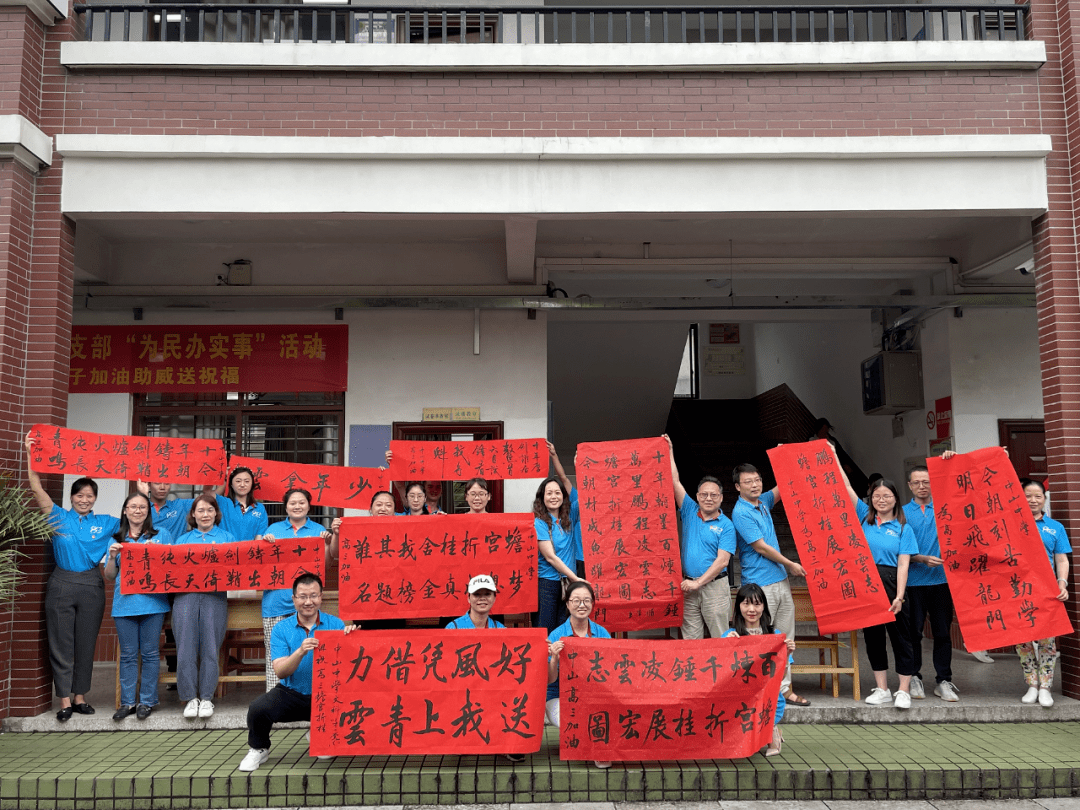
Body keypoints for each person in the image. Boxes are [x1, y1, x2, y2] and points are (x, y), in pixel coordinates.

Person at [24, 432, 120, 722]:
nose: (84, 500)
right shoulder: (58, 517)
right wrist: (31, 455)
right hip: (61, 584)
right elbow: (36, 487)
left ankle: (80, 696)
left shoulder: (105, 523)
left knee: (86, 642)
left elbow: (136, 518)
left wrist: (143, 488)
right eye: (79, 495)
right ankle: (64, 699)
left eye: (89, 496)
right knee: (61, 642)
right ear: (72, 497)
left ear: (95, 499)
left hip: (92, 585)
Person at [237, 573, 347, 772]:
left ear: (321, 597)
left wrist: (353, 637)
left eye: (313, 596)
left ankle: (318, 731)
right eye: (302, 596)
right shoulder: (281, 629)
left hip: (326, 695)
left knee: (352, 708)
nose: (308, 602)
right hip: (292, 694)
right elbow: (280, 671)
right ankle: (259, 748)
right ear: (294, 599)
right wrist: (300, 651)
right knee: (258, 708)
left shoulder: (336, 625)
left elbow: (347, 664)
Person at [731, 463, 809, 707]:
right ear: (737, 487)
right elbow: (761, 547)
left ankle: (784, 689)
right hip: (760, 585)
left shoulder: (763, 501)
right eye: (748, 482)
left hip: (780, 581)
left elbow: (784, 487)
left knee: (785, 638)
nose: (754, 484)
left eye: (757, 479)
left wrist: (786, 458)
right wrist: (790, 564)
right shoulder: (741, 513)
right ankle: (761, 690)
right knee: (761, 639)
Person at [840, 471, 918, 709]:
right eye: (876, 496)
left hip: (894, 584)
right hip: (868, 585)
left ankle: (903, 690)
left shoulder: (904, 528)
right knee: (873, 639)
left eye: (886, 496)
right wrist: (832, 455)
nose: (881, 500)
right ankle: (882, 688)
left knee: (902, 639)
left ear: (895, 498)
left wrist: (899, 597)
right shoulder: (865, 518)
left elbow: (904, 564)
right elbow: (848, 488)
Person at [103, 492, 173, 721]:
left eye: (142, 507)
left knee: (152, 654)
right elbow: (110, 575)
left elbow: (172, 569)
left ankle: (147, 701)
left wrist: (158, 554)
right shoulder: (116, 538)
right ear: (125, 510)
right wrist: (112, 557)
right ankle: (127, 702)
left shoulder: (162, 535)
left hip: (153, 604)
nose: (138, 510)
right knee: (128, 656)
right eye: (133, 506)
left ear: (148, 511)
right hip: (125, 605)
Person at [255, 488, 333, 692]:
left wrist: (326, 544)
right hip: (276, 604)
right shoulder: (273, 530)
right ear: (286, 506)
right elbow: (260, 564)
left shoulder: (318, 531)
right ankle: (275, 700)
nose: (297, 506)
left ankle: (304, 700)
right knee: (277, 658)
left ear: (309, 505)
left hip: (307, 606)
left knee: (308, 657)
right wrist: (262, 544)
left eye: (301, 502)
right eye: (292, 503)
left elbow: (324, 567)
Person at [173, 493, 236, 719]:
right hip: (185, 597)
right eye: (200, 510)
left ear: (216, 514)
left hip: (214, 597)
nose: (205, 514)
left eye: (210, 510)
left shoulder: (227, 538)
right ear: (193, 514)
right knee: (185, 647)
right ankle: (190, 698)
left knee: (211, 645)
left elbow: (235, 570)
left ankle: (207, 698)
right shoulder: (181, 541)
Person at [665, 435, 735, 639]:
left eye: (714, 495)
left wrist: (699, 582)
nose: (708, 498)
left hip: (715, 588)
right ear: (697, 496)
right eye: (704, 494)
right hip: (688, 587)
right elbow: (674, 480)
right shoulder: (688, 509)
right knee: (691, 641)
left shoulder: (727, 525)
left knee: (720, 637)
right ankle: (693, 673)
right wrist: (669, 450)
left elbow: (723, 561)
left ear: (721, 498)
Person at [903, 463, 960, 702]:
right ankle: (914, 677)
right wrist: (921, 559)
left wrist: (952, 460)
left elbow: (969, 490)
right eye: (916, 482)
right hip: (914, 582)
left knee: (942, 633)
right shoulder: (903, 512)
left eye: (925, 481)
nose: (921, 486)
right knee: (913, 633)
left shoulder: (948, 509)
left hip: (942, 581)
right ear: (909, 486)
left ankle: (943, 680)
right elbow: (900, 549)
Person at [722, 583, 795, 756]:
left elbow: (780, 677)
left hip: (766, 695)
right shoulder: (730, 635)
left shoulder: (774, 635)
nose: (751, 609)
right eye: (746, 604)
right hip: (740, 696)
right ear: (738, 606)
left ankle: (772, 731)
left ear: (764, 607)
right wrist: (725, 646)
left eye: (757, 604)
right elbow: (722, 675)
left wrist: (786, 654)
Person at [1016, 478, 1070, 708]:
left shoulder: (1055, 527)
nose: (1033, 500)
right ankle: (1032, 684)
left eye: (1038, 496)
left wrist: (1062, 583)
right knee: (1023, 640)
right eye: (1028, 495)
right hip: (1018, 590)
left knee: (1048, 642)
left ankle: (1046, 686)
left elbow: (1061, 558)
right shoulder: (1011, 525)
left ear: (1044, 499)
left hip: (1047, 590)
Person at [546, 580, 611, 769]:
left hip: (594, 696)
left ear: (592, 604)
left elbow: (611, 673)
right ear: (567, 604)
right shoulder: (556, 636)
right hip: (560, 698)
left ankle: (597, 747)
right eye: (576, 601)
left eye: (586, 600)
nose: (581, 605)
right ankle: (591, 745)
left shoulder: (602, 633)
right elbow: (550, 680)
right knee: (573, 717)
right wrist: (555, 658)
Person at [534, 442, 583, 632]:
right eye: (549, 493)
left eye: (557, 492)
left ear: (563, 496)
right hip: (547, 583)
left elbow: (567, 481)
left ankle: (559, 663)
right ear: (542, 497)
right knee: (545, 630)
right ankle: (544, 662)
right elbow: (550, 557)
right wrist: (576, 579)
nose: (553, 496)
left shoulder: (570, 516)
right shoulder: (538, 522)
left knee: (565, 629)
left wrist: (556, 457)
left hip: (568, 582)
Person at [215, 466, 268, 542]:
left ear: (252, 484)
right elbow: (209, 495)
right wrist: (225, 477)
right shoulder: (223, 503)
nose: (242, 485)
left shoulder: (259, 508)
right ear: (231, 484)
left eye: (247, 481)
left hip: (249, 552)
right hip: (226, 552)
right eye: (238, 481)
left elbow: (258, 539)